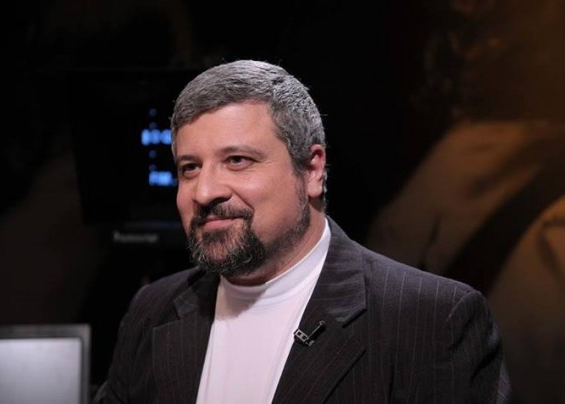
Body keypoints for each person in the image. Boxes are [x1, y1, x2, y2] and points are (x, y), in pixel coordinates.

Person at [94, 59, 510, 403]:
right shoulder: (153, 310)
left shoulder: (433, 320)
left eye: (237, 160)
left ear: (311, 170)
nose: (204, 191)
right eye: (190, 168)